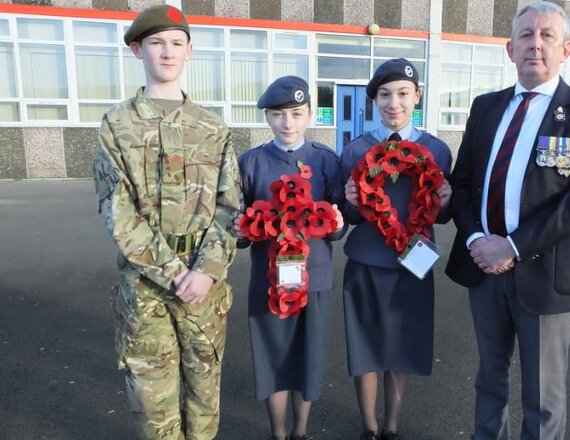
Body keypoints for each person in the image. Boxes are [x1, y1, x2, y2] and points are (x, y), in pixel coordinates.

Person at [446, 2, 570, 439]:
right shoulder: (486, 107)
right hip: (483, 267)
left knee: (542, 398)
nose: (535, 44)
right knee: (489, 381)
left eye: (546, 35)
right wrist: (476, 241)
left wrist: (513, 246)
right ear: (509, 48)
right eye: (526, 35)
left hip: (546, 272)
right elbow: (462, 184)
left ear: (567, 48)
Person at [92, 5, 241, 439]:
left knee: (204, 403)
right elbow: (116, 210)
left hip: (205, 291)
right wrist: (177, 274)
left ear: (190, 51)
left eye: (177, 43)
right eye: (157, 43)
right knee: (153, 409)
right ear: (138, 49)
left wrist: (207, 272)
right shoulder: (117, 125)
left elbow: (231, 206)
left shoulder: (212, 127)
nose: (167, 52)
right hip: (145, 288)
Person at [341, 58, 453, 440]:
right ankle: (369, 426)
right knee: (365, 346)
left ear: (417, 96)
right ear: (374, 100)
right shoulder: (357, 150)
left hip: (413, 266)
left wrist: (447, 200)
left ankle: (392, 427)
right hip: (366, 263)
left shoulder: (436, 148)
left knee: (403, 347)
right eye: (384, 95)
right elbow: (349, 218)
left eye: (403, 94)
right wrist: (351, 202)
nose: (394, 103)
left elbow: (441, 217)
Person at [234, 75, 346, 440]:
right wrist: (237, 230)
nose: (288, 123)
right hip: (268, 281)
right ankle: (278, 433)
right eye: (279, 114)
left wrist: (336, 223)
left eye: (297, 114)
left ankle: (301, 431)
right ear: (267, 117)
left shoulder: (325, 160)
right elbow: (238, 226)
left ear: (310, 115)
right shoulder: (250, 163)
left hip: (314, 277)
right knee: (272, 357)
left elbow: (337, 223)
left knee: (310, 356)